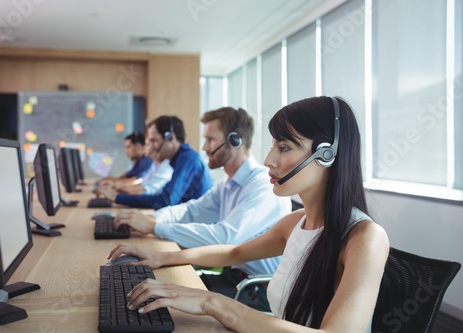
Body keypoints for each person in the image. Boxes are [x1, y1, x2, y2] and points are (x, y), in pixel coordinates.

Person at [107, 96, 389, 332]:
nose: (269, 160)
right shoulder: (296, 223)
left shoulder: (366, 238)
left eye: (284, 148)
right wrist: (161, 257)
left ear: (326, 155)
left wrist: (212, 302)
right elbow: (234, 253)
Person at [110, 107, 291, 310]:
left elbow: (225, 238)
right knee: (151, 288)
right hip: (234, 278)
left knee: (164, 303)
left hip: (259, 290)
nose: (204, 147)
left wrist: (154, 228)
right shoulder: (228, 185)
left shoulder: (262, 186)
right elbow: (190, 210)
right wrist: (151, 219)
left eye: (210, 139)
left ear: (235, 141)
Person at [98, 116, 213, 210]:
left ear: (170, 137)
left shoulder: (188, 159)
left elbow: (166, 201)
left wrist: (118, 197)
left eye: (154, 141)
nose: (150, 147)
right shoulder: (177, 160)